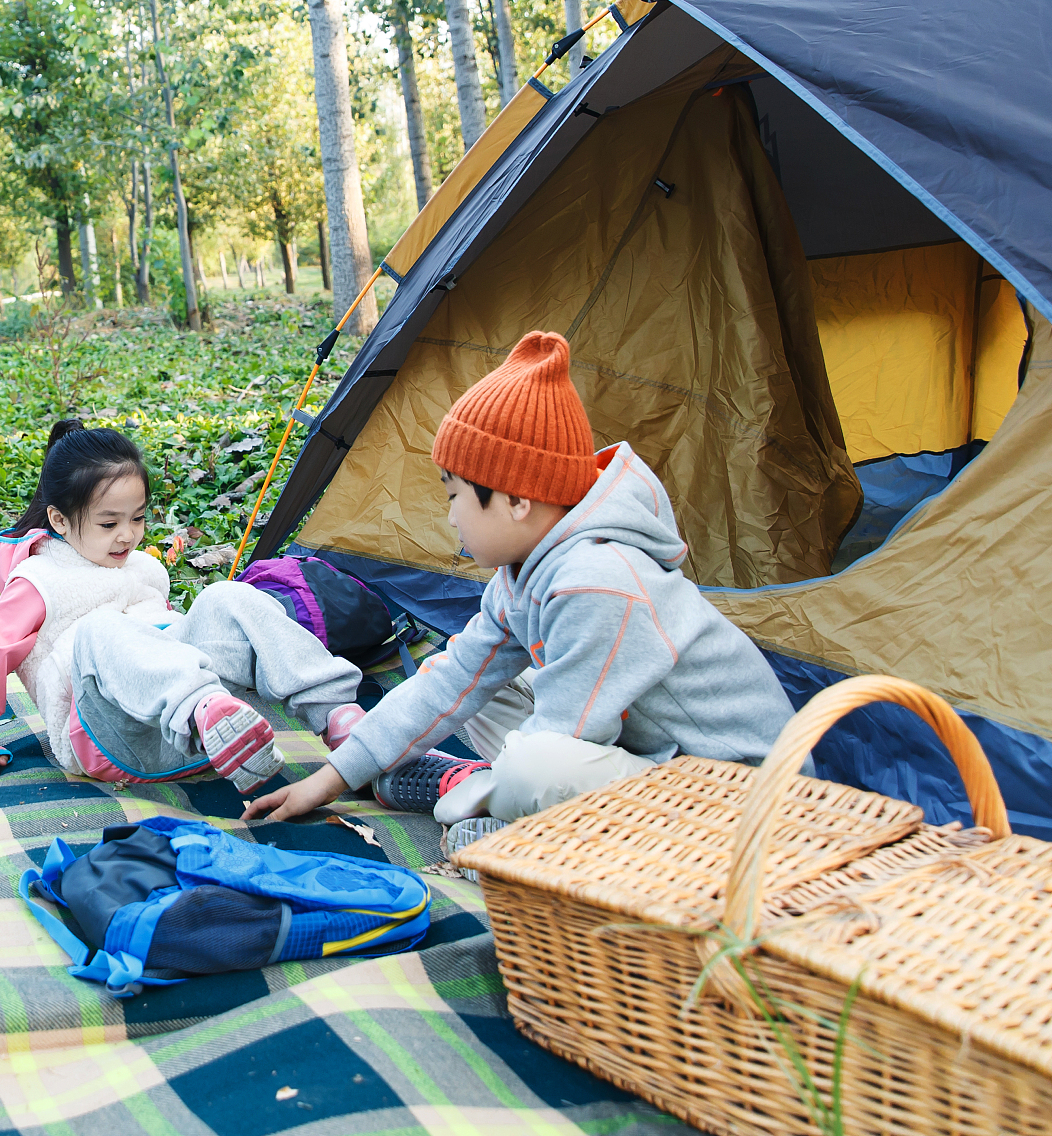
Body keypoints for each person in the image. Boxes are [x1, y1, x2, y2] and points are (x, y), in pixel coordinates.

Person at [246, 331, 797, 857]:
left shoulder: (597, 582)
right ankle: (487, 795)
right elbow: (454, 681)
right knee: (483, 686)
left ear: (516, 501)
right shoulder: (523, 570)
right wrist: (331, 779)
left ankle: (487, 812)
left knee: (535, 765)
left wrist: (501, 795)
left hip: (742, 800)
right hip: (648, 755)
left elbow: (559, 743)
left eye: (456, 495)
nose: (451, 517)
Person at [0, 419, 366, 793]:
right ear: (59, 520)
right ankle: (203, 711)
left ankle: (341, 719)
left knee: (226, 595)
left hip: (184, 738)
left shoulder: (141, 568)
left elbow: (163, 643)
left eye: (138, 518)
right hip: (111, 735)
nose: (127, 535)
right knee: (101, 629)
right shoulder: (40, 582)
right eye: (109, 523)